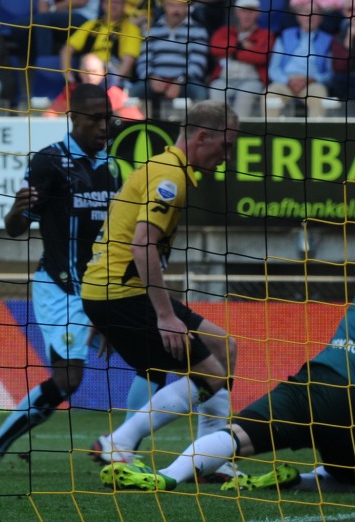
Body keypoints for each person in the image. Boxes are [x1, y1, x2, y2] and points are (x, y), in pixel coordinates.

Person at [100, 250, 355, 493]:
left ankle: (167, 478)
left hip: (318, 382)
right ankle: (296, 480)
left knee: (235, 437)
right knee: (350, 480)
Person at [0, 83, 137, 477]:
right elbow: (17, 227)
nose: (105, 126)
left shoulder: (116, 166)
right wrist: (15, 213)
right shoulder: (49, 163)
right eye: (96, 119)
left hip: (105, 286)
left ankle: (123, 446)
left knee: (155, 358)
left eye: (109, 118)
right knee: (68, 380)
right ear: (74, 118)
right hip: (63, 288)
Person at [81, 100, 240, 481]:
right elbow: (142, 245)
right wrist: (165, 315)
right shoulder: (170, 177)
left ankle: (212, 459)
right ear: (202, 137)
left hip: (116, 292)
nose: (228, 156)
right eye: (227, 145)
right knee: (212, 375)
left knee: (225, 347)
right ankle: (118, 442)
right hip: (122, 293)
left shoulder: (165, 167)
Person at [128, 0, 210, 109]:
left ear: (187, 6)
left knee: (200, 94)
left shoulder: (198, 30)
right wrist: (152, 77)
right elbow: (143, 62)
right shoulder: (152, 30)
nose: (176, 10)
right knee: (133, 93)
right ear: (165, 5)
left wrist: (179, 81)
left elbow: (198, 65)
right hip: (155, 80)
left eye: (180, 5)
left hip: (185, 81)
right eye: (172, 5)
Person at [208, 0, 275, 118]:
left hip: (251, 81)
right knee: (216, 92)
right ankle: (221, 132)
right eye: (244, 10)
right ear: (237, 13)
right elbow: (215, 48)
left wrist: (233, 52)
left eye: (251, 11)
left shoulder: (265, 34)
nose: (247, 15)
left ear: (258, 13)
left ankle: (237, 133)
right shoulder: (225, 31)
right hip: (224, 79)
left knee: (244, 97)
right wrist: (241, 45)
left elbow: (261, 56)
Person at [58, 0, 142, 88]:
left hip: (114, 78)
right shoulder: (91, 25)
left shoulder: (131, 29)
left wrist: (114, 83)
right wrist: (69, 76)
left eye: (117, 2)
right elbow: (67, 48)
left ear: (124, 5)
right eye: (109, 1)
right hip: (88, 74)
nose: (113, 5)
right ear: (103, 4)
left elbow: (129, 60)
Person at [266, 2, 333, 119]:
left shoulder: (328, 40)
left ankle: (313, 135)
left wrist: (314, 79)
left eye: (315, 13)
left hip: (312, 82)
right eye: (306, 12)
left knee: (320, 96)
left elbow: (330, 73)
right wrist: (287, 80)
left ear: (321, 18)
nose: (310, 15)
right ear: (298, 16)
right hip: (285, 81)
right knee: (270, 95)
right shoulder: (284, 36)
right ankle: (271, 133)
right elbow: (273, 68)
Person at [46, 52, 144, 121]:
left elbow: (136, 119)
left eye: (94, 72)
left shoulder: (114, 93)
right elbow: (51, 113)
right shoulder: (71, 91)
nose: (90, 76)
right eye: (86, 71)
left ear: (103, 72)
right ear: (80, 73)